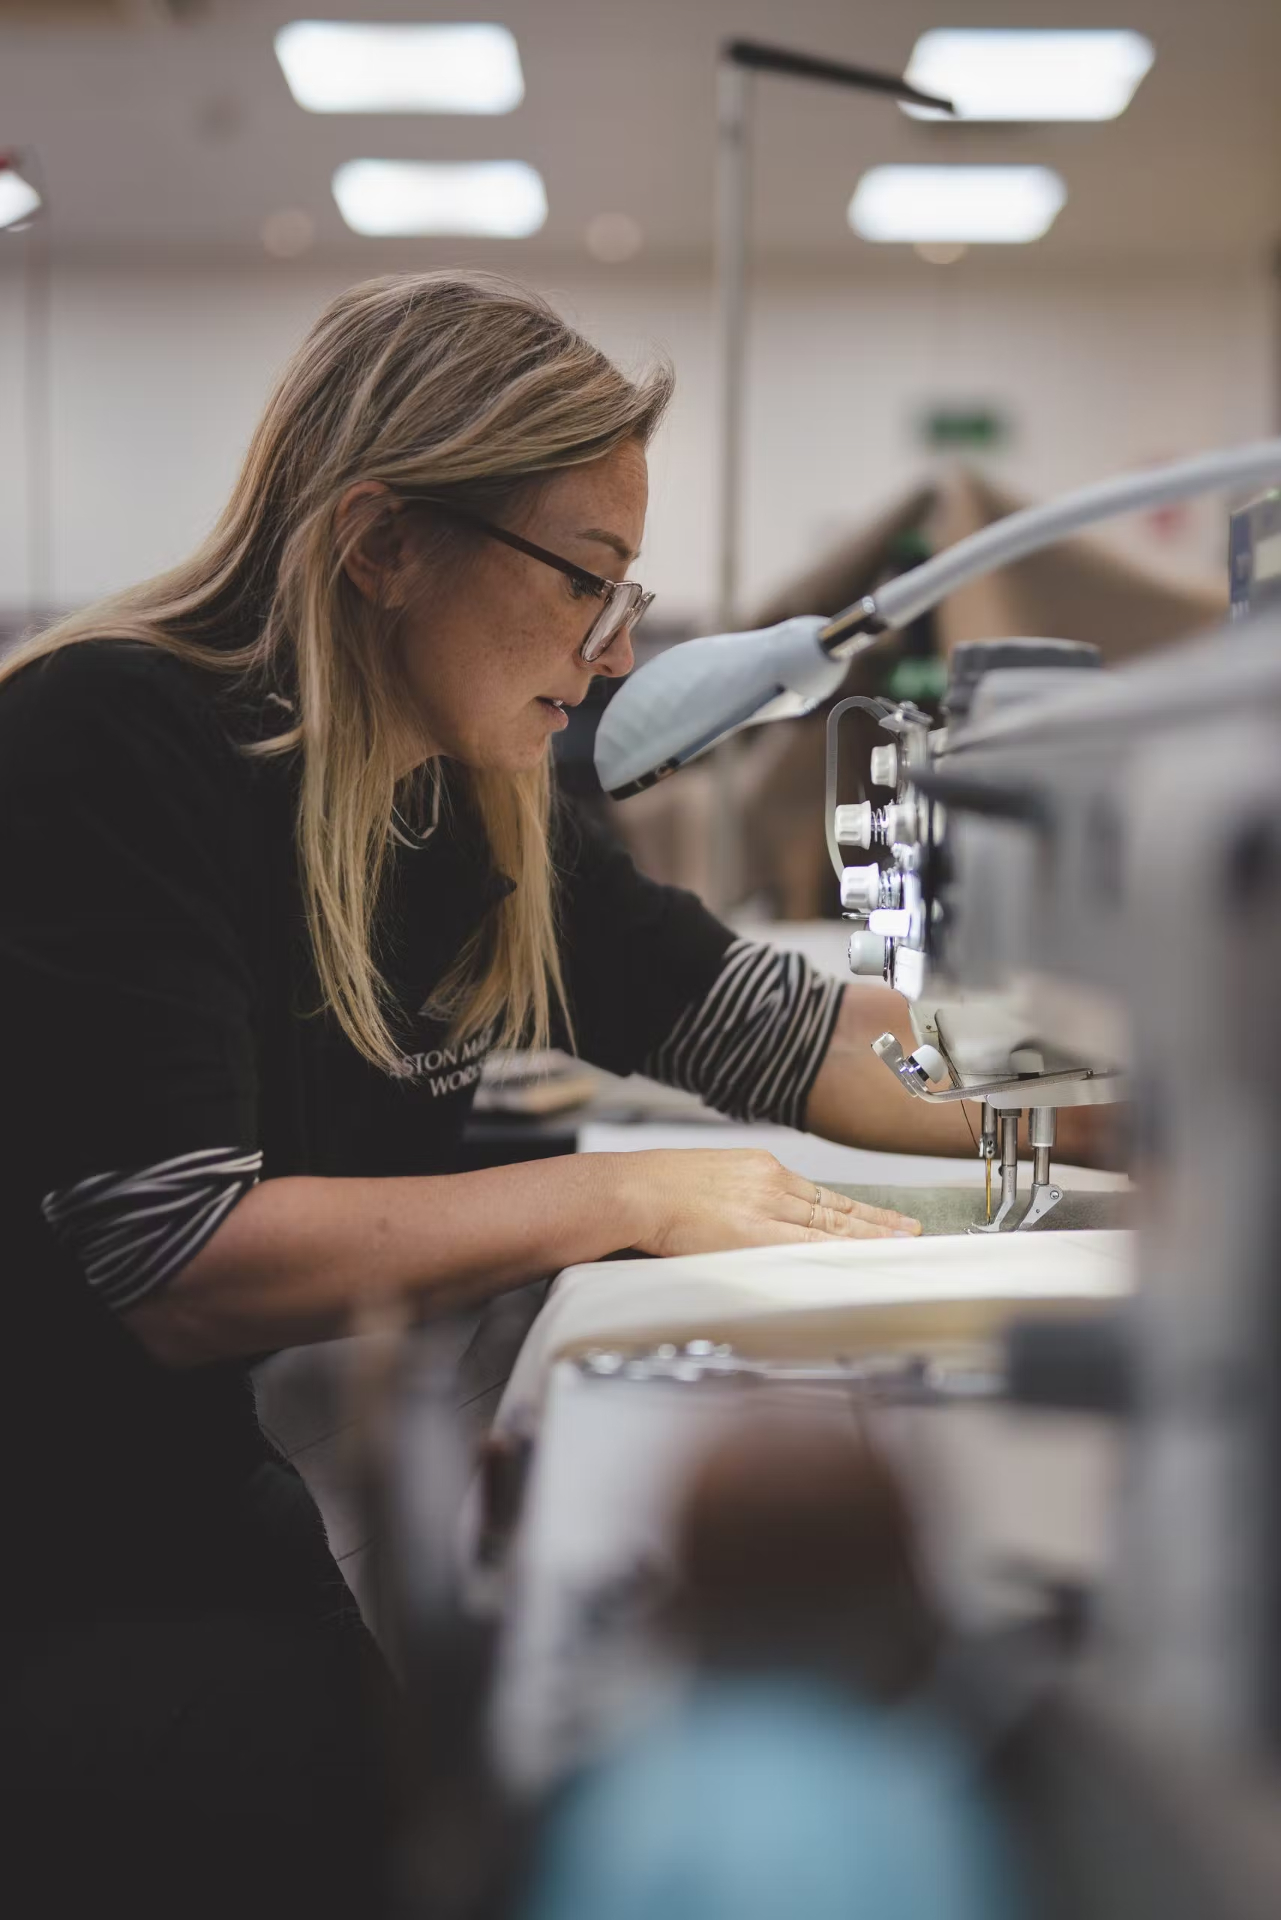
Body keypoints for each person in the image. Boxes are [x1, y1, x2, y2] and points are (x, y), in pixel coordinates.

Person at [0, 271, 1093, 1911]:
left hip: (194, 1492)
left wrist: (1101, 1104)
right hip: (64, 1546)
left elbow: (782, 1029)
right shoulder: (117, 739)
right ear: (381, 542)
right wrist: (632, 1193)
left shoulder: (460, 791)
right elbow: (178, 1260)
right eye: (586, 582)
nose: (622, 648)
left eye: (625, 589)